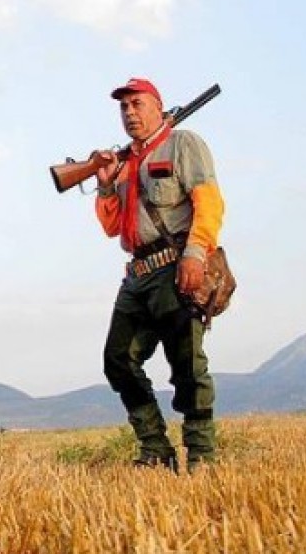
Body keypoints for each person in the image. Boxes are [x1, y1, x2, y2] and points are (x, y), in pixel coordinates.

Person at [92, 77, 225, 474]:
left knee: (187, 363)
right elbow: (113, 226)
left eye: (137, 104)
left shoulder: (184, 144)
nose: (130, 113)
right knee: (118, 360)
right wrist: (104, 187)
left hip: (176, 266)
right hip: (137, 275)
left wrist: (196, 253)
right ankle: (155, 449)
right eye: (124, 107)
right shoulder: (125, 162)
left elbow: (210, 203)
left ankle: (202, 457)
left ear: (157, 106)